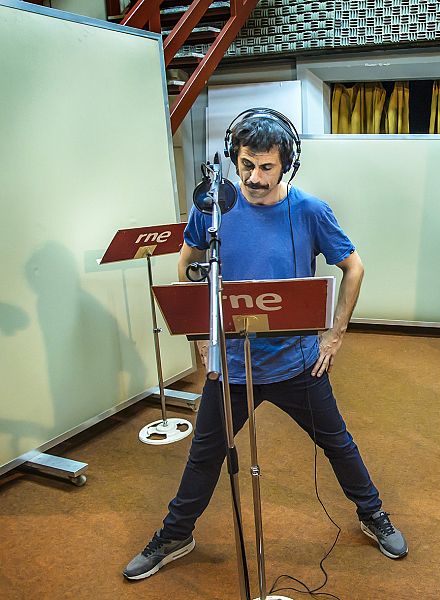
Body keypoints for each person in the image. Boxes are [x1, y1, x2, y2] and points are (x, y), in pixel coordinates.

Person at [124, 109, 407, 581]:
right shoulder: (212, 208)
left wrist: (334, 335)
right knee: (204, 455)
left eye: (266, 167)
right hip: (232, 366)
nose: (253, 178)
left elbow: (353, 268)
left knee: (337, 444)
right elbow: (186, 261)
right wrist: (200, 336)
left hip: (297, 364)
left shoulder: (311, 210)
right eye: (245, 165)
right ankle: (176, 534)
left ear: (288, 163)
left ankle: (371, 514)